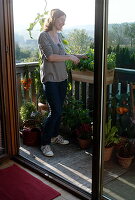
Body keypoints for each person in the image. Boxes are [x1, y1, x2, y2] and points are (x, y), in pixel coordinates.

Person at [38, 9, 84, 157]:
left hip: (62, 78)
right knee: (55, 111)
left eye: (64, 20)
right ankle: (45, 143)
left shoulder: (59, 35)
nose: (64, 23)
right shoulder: (43, 36)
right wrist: (70, 57)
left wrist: (78, 56)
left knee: (59, 110)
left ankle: (55, 135)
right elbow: (51, 57)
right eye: (61, 20)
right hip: (50, 79)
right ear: (53, 19)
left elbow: (63, 55)